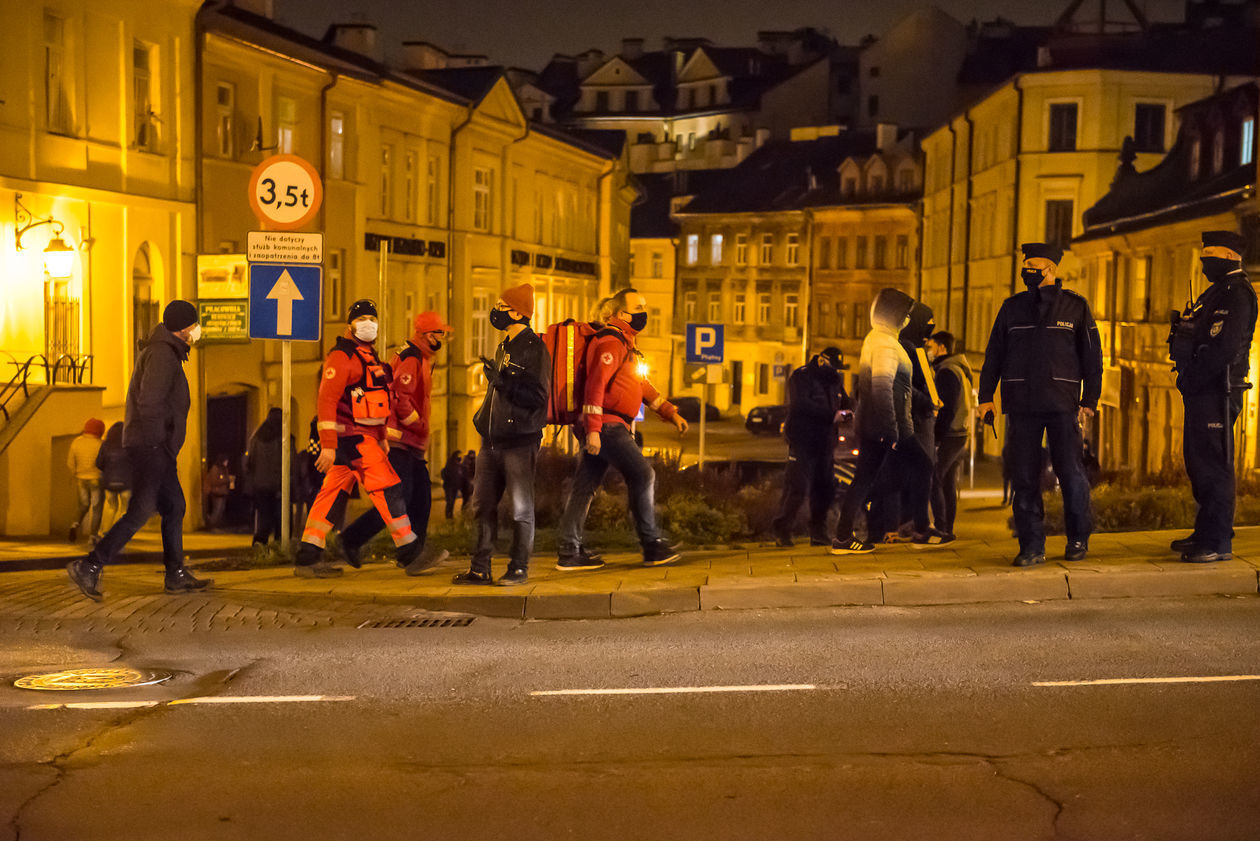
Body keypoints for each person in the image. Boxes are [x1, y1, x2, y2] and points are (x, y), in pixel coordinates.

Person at [67, 300, 212, 600]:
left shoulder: (166, 351)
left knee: (174, 507)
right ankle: (90, 565)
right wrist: (158, 442)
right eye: (193, 325)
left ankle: (176, 573)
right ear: (183, 328)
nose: (196, 331)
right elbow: (150, 403)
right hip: (151, 446)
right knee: (141, 510)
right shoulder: (161, 355)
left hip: (156, 446)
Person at [978, 242, 1103, 567]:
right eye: (1026, 264)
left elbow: (1093, 358)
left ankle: (1077, 539)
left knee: (1071, 473)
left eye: (1034, 264)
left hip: (1063, 405)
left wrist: (1089, 401)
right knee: (1024, 477)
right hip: (1021, 405)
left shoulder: (1075, 306)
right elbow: (994, 355)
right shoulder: (1012, 307)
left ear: (1052, 268)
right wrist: (985, 398)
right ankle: (1031, 546)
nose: (1028, 270)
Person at [556, 287, 689, 570]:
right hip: (606, 425)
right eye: (638, 308)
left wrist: (670, 412)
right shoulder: (610, 342)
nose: (644, 313)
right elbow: (595, 385)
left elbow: (640, 384)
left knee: (584, 487)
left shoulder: (625, 344)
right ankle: (651, 544)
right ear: (619, 314)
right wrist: (592, 430)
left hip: (606, 424)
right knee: (643, 474)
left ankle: (569, 551)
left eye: (644, 307)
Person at [294, 299, 423, 577]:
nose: (368, 324)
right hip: (351, 440)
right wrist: (328, 445)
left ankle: (308, 555)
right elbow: (326, 401)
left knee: (331, 494)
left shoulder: (369, 357)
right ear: (349, 325)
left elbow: (377, 402)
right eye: (361, 318)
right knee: (388, 488)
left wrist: (381, 436)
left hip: (360, 438)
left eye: (372, 319)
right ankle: (410, 550)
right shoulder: (342, 357)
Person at [339, 311, 453, 574]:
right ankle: (351, 540)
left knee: (422, 497)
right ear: (426, 334)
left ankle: (414, 554)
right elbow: (398, 397)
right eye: (439, 333)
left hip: (411, 443)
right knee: (398, 499)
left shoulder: (420, 356)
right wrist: (418, 424)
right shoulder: (412, 357)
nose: (442, 338)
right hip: (400, 440)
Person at [452, 284, 550, 585]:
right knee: (482, 505)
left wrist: (503, 382)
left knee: (521, 507)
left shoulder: (535, 349)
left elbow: (538, 396)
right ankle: (480, 567)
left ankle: (519, 567)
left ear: (519, 312)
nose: (496, 310)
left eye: (501, 305)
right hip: (491, 440)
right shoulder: (504, 346)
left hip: (520, 441)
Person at [1168, 230, 1256, 563]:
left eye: (1211, 254)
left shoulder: (1237, 294)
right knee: (1198, 461)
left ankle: (1218, 541)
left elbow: (1224, 347)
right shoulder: (1216, 292)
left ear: (1231, 256)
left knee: (1213, 465)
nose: (1205, 260)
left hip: (1218, 388)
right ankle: (1206, 531)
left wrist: (1194, 377)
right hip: (1202, 387)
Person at [831, 288, 915, 555]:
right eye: (906, 314)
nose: (908, 320)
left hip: (871, 424)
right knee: (908, 473)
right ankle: (846, 531)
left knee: (866, 479)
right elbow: (881, 387)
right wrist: (891, 431)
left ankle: (845, 530)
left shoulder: (875, 339)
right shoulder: (884, 344)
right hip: (880, 427)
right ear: (894, 315)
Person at [867, 301, 941, 546]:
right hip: (910, 423)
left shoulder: (914, 347)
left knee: (901, 476)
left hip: (917, 422)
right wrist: (927, 402)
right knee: (903, 475)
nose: (930, 330)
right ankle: (910, 528)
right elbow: (902, 385)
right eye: (927, 323)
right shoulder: (904, 348)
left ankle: (904, 527)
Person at [772, 346, 847, 547]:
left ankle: (818, 532)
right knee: (797, 487)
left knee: (825, 488)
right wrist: (831, 415)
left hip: (825, 442)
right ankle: (782, 530)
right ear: (822, 360)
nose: (836, 371)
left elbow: (846, 401)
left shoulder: (834, 381)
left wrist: (849, 411)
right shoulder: (802, 377)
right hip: (803, 440)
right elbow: (800, 404)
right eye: (834, 366)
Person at [928, 331, 973, 541]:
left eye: (931, 347)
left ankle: (941, 527)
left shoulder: (947, 371)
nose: (929, 351)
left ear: (942, 348)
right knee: (947, 482)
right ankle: (947, 530)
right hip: (961, 432)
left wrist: (936, 437)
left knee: (933, 477)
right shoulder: (960, 369)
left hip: (951, 433)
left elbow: (947, 408)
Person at [244, 408, 294, 545]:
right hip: (279, 486)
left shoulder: (256, 438)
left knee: (263, 519)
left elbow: (249, 462)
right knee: (282, 520)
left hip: (260, 485)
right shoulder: (284, 439)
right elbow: (289, 463)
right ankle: (281, 547)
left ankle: (259, 547)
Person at [67, 418, 105, 543]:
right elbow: (104, 463)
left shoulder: (76, 442)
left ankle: (75, 524)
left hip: (80, 479)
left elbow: (70, 462)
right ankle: (93, 536)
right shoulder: (101, 444)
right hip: (96, 479)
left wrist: (74, 473)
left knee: (83, 505)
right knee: (96, 508)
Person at [96, 422, 132, 534]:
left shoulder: (105, 445)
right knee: (125, 509)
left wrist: (108, 470)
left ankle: (106, 530)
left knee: (111, 506)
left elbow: (98, 463)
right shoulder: (129, 445)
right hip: (127, 482)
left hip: (109, 482)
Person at [202, 456, 232, 530]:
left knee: (220, 511)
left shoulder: (224, 469)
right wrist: (226, 480)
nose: (226, 463)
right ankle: (211, 525)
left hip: (223, 493)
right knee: (216, 511)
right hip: (216, 493)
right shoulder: (215, 469)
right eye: (225, 461)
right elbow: (214, 481)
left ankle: (215, 526)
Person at [441, 450, 464, 518]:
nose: (460, 457)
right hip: (449, 486)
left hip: (455, 486)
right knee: (450, 501)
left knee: (452, 501)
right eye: (459, 455)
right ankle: (448, 516)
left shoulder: (459, 464)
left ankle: (450, 515)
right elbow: (448, 473)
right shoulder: (450, 463)